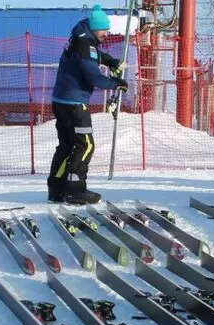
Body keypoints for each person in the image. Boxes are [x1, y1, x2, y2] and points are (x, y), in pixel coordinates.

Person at [47, 4, 128, 205]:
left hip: (62, 101)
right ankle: (75, 190)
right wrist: (116, 83)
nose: (106, 33)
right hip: (74, 104)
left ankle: (56, 188)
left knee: (67, 145)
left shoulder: (80, 37)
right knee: (85, 145)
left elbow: (96, 56)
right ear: (94, 28)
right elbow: (94, 77)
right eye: (104, 29)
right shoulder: (85, 45)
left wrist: (111, 62)